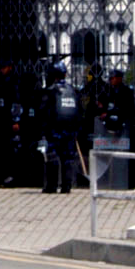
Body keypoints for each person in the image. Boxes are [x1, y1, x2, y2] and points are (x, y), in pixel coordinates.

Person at [35, 61, 86, 193]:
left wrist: (42, 130)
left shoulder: (50, 91)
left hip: (54, 131)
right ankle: (66, 186)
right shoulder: (73, 90)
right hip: (70, 131)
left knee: (52, 157)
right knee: (67, 158)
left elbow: (42, 111)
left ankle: (52, 186)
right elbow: (80, 111)